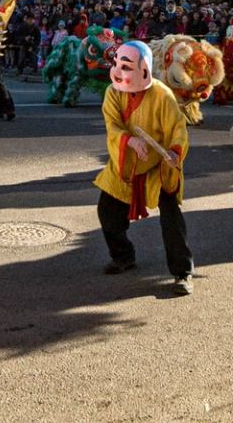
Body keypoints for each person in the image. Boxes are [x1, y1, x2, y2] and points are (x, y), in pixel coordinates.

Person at [95, 41, 192, 296]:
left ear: (144, 70)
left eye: (125, 66)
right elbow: (113, 126)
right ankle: (123, 256)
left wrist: (174, 152)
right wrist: (130, 141)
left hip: (158, 166)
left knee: (171, 216)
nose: (117, 71)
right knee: (107, 210)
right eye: (116, 64)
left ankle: (182, 272)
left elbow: (177, 130)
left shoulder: (161, 95)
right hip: (126, 161)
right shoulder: (112, 93)